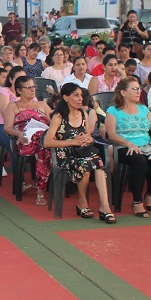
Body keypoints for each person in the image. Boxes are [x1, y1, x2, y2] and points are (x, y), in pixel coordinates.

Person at [44, 83, 115, 222]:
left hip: (82, 152)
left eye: (81, 95)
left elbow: (88, 136)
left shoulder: (83, 114)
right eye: (76, 95)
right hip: (64, 155)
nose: (80, 98)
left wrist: (88, 139)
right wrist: (73, 142)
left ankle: (104, 206)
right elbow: (47, 142)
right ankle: (82, 202)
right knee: (88, 163)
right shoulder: (59, 116)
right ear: (65, 97)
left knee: (97, 162)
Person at [105, 77, 151, 217]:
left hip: (147, 146)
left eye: (139, 89)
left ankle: (150, 194)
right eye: (134, 89)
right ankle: (137, 202)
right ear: (123, 92)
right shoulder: (113, 111)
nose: (138, 92)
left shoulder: (144, 109)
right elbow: (111, 134)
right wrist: (128, 143)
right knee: (139, 162)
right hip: (124, 147)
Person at [4, 75, 54, 205]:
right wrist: (19, 133)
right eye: (29, 88)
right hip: (25, 139)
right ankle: (40, 191)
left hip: (43, 138)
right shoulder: (13, 106)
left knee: (44, 146)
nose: (33, 90)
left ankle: (41, 191)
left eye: (34, 87)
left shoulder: (42, 104)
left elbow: (54, 122)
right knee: (45, 147)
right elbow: (8, 128)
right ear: (19, 90)